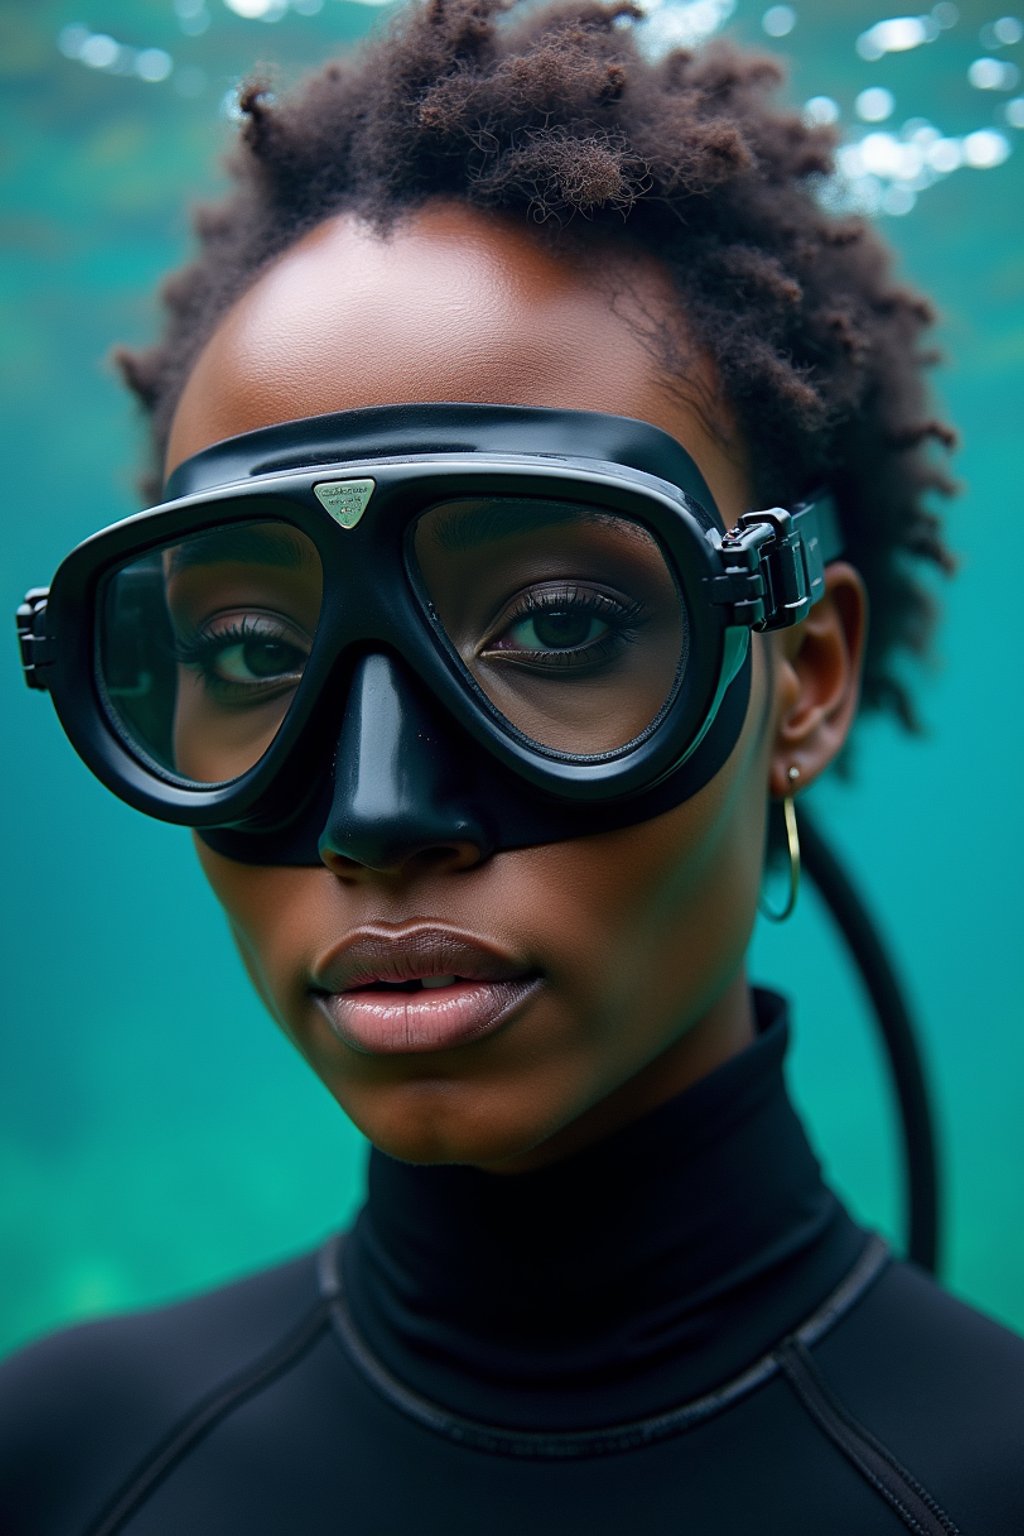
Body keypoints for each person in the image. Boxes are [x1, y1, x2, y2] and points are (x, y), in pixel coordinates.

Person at [3, 1, 1023, 1531]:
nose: (377, 815)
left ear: (798, 677)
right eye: (255, 656)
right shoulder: (50, 1455)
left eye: (555, 622)